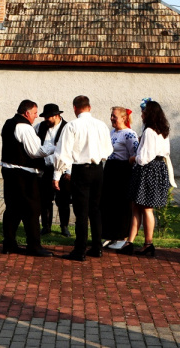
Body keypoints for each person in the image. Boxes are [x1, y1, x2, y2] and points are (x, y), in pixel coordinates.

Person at [54, 96, 113, 262]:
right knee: (95, 210)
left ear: (74, 108)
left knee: (81, 212)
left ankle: (80, 250)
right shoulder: (101, 125)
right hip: (98, 169)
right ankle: (97, 247)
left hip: (81, 170)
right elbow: (108, 149)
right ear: (90, 107)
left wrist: (57, 175)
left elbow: (63, 153)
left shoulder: (72, 126)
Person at [121, 99, 176, 256]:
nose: (141, 115)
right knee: (138, 206)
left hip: (148, 170)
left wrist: (133, 158)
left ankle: (148, 243)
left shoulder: (149, 131)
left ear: (149, 114)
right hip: (158, 168)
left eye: (143, 112)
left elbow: (144, 157)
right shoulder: (163, 131)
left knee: (145, 208)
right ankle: (130, 242)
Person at [0, 99, 55, 257]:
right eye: (35, 113)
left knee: (13, 208)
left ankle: (9, 243)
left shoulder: (8, 123)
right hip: (23, 174)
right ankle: (34, 246)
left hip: (9, 171)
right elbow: (35, 152)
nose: (37, 116)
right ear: (26, 113)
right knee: (32, 209)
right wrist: (54, 147)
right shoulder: (24, 127)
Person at [100, 107, 139, 249]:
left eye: (114, 116)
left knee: (121, 204)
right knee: (108, 203)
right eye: (111, 115)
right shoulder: (112, 132)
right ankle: (110, 235)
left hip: (123, 170)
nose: (111, 118)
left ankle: (122, 236)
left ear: (123, 118)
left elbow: (134, 155)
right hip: (110, 169)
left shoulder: (129, 134)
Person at [34, 103, 72, 237]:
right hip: (45, 169)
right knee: (45, 200)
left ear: (56, 116)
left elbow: (72, 151)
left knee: (63, 200)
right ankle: (46, 226)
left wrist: (69, 172)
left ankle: (64, 227)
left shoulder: (67, 128)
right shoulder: (39, 127)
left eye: (48, 117)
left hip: (63, 170)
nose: (45, 120)